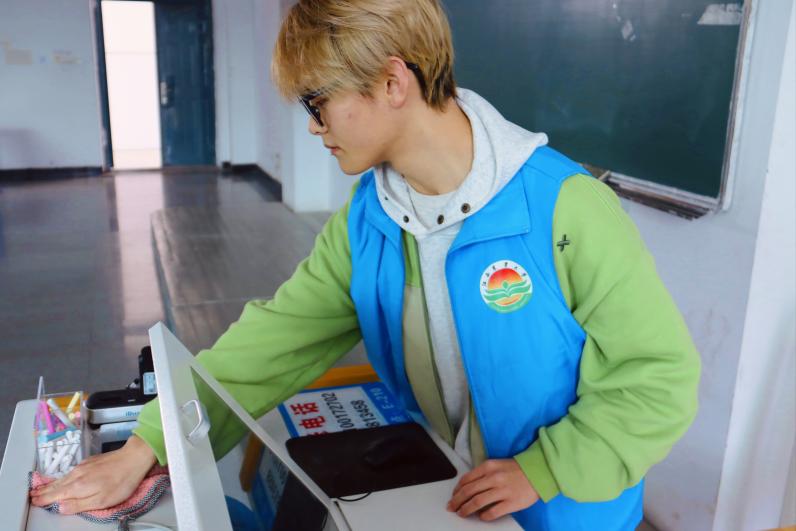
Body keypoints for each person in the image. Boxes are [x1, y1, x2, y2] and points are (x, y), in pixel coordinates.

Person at [30, 1, 701, 529]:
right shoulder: (370, 217)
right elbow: (276, 338)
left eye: (317, 103)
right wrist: (151, 443)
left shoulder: (564, 207)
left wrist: (543, 470)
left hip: (566, 507)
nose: (312, 126)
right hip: (452, 491)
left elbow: (658, 379)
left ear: (392, 81)